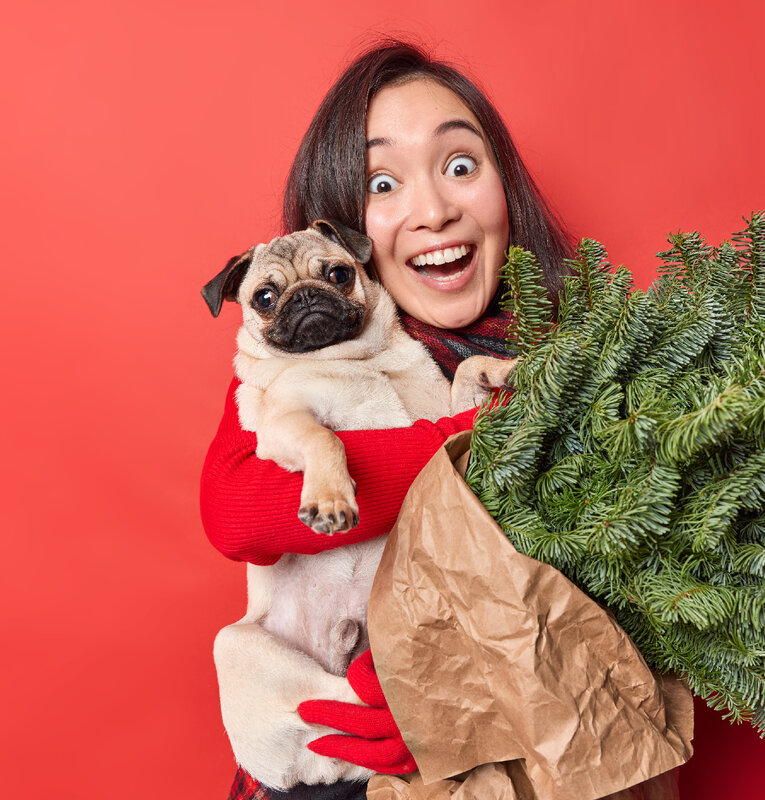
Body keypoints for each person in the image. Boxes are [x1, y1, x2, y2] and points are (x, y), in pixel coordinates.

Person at [201, 39, 575, 799]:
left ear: (509, 188)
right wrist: (467, 440)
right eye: (383, 181)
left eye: (461, 165)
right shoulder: (292, 374)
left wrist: (452, 691)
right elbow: (234, 513)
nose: (433, 209)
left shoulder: (579, 351)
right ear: (346, 219)